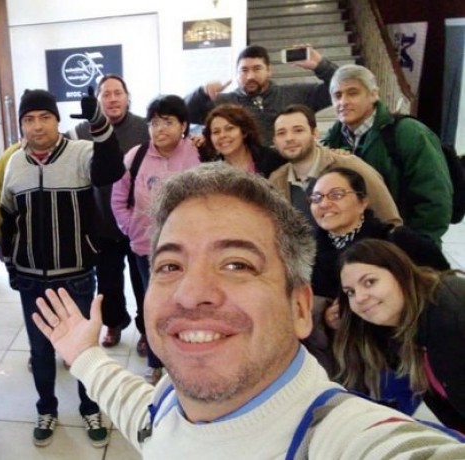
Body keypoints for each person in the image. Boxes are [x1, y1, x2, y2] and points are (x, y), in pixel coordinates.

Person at [29, 163, 465, 458]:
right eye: (170, 266)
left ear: (299, 307)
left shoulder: (342, 439)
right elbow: (143, 415)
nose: (190, 293)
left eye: (237, 264)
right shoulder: (167, 405)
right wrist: (85, 356)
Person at [0, 87, 124, 448]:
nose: (37, 126)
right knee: (40, 350)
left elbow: (111, 169)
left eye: (45, 117)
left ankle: (89, 407)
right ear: (21, 125)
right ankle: (46, 408)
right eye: (28, 119)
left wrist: (98, 122)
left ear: (56, 120)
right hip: (31, 280)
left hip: (76, 276)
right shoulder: (14, 163)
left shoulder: (81, 152)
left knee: (83, 349)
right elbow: (8, 217)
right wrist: (12, 263)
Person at [308, 166, 446, 378]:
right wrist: (326, 317)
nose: (324, 204)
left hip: (417, 356)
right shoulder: (308, 256)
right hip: (355, 366)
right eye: (316, 198)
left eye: (336, 195)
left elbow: (444, 291)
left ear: (363, 202)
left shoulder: (398, 241)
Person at [110, 94, 200, 384]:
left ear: (183, 125)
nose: (160, 129)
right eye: (154, 123)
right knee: (153, 305)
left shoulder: (196, 154)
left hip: (187, 249)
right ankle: (154, 360)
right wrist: (129, 227)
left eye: (168, 122)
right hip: (145, 248)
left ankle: (185, 359)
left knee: (185, 305)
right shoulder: (135, 156)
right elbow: (118, 198)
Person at [336, 238, 465, 433]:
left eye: (370, 282)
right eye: (350, 292)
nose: (360, 298)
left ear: (399, 272)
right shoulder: (396, 330)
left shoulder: (451, 314)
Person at [321, 64, 451, 245]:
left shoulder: (409, 133)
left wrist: (415, 244)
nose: (343, 102)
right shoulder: (331, 142)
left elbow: (435, 197)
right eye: (337, 95)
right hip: (357, 247)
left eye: (353, 93)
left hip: (402, 245)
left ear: (373, 95)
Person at [68, 74, 149, 351]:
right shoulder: (82, 131)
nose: (112, 99)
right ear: (98, 100)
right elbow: (59, 146)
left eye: (118, 93)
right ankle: (113, 323)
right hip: (101, 222)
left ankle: (146, 329)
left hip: (139, 223)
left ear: (127, 97)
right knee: (108, 282)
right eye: (106, 94)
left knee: (143, 280)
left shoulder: (144, 129)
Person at [270, 104, 401, 224]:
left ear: (315, 133)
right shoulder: (276, 181)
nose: (289, 138)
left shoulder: (350, 166)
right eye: (281, 133)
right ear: (274, 141)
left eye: (298, 130)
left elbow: (389, 219)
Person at [186, 45, 338, 144]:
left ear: (269, 70)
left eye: (257, 69)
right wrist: (202, 93)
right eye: (244, 70)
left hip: (289, 172)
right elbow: (183, 115)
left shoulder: (295, 94)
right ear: (236, 74)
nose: (250, 76)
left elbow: (339, 88)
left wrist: (321, 65)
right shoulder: (222, 103)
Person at [199, 103, 285, 177]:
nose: (222, 135)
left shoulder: (272, 160)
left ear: (244, 132)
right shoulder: (210, 172)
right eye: (216, 132)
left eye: (229, 129)